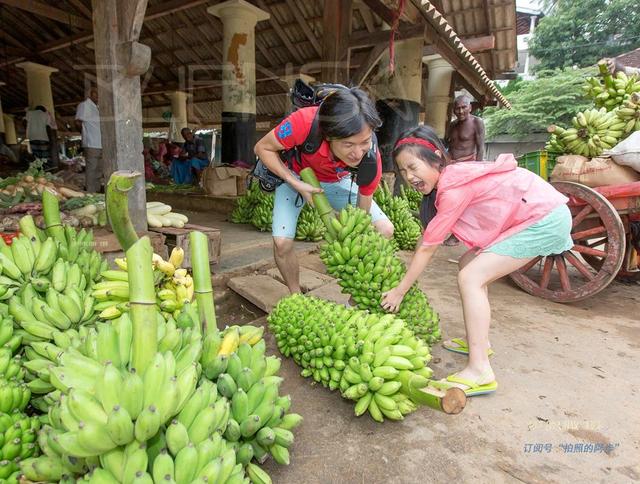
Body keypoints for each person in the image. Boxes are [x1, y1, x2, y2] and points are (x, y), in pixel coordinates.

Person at [380, 125, 573, 397]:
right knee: (468, 264)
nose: (409, 176)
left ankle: (480, 370)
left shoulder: (452, 187)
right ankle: (479, 342)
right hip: (532, 215)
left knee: (471, 277)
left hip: (543, 218)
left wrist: (400, 291)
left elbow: (427, 248)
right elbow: (427, 237)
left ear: (435, 157)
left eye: (413, 167)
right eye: (403, 171)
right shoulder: (449, 180)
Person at [254, 87, 394, 293]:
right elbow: (262, 148)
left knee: (385, 230)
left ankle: (360, 292)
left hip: (339, 181)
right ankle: (295, 294)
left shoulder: (370, 156)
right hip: (297, 176)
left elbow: (363, 203)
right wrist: (295, 183)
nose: (357, 153)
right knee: (282, 243)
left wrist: (354, 238)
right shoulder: (303, 122)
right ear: (328, 135)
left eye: (363, 142)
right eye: (348, 144)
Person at [75, 87, 102, 193]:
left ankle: (97, 191)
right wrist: (85, 134)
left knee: (99, 171)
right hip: (91, 143)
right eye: (96, 93)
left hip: (101, 144)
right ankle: (91, 194)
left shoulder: (98, 107)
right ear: (91, 94)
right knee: (91, 170)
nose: (98, 96)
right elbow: (77, 122)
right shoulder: (84, 105)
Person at [446, 95, 485, 162]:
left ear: (470, 108)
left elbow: (480, 148)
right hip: (450, 162)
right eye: (457, 108)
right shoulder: (452, 124)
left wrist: (478, 167)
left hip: (467, 163)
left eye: (464, 107)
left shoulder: (477, 122)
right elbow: (447, 144)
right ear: (454, 110)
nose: (460, 111)